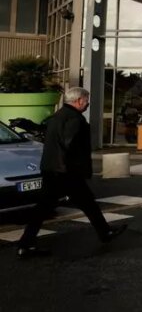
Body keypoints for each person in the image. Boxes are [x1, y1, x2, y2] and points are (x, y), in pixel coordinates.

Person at [16, 87, 127, 258]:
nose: (88, 103)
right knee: (86, 203)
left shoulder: (58, 116)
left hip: (51, 168)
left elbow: (44, 132)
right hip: (66, 172)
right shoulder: (75, 119)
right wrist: (79, 167)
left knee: (46, 208)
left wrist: (25, 124)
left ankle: (25, 244)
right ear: (79, 100)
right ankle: (105, 233)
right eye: (86, 100)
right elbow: (69, 143)